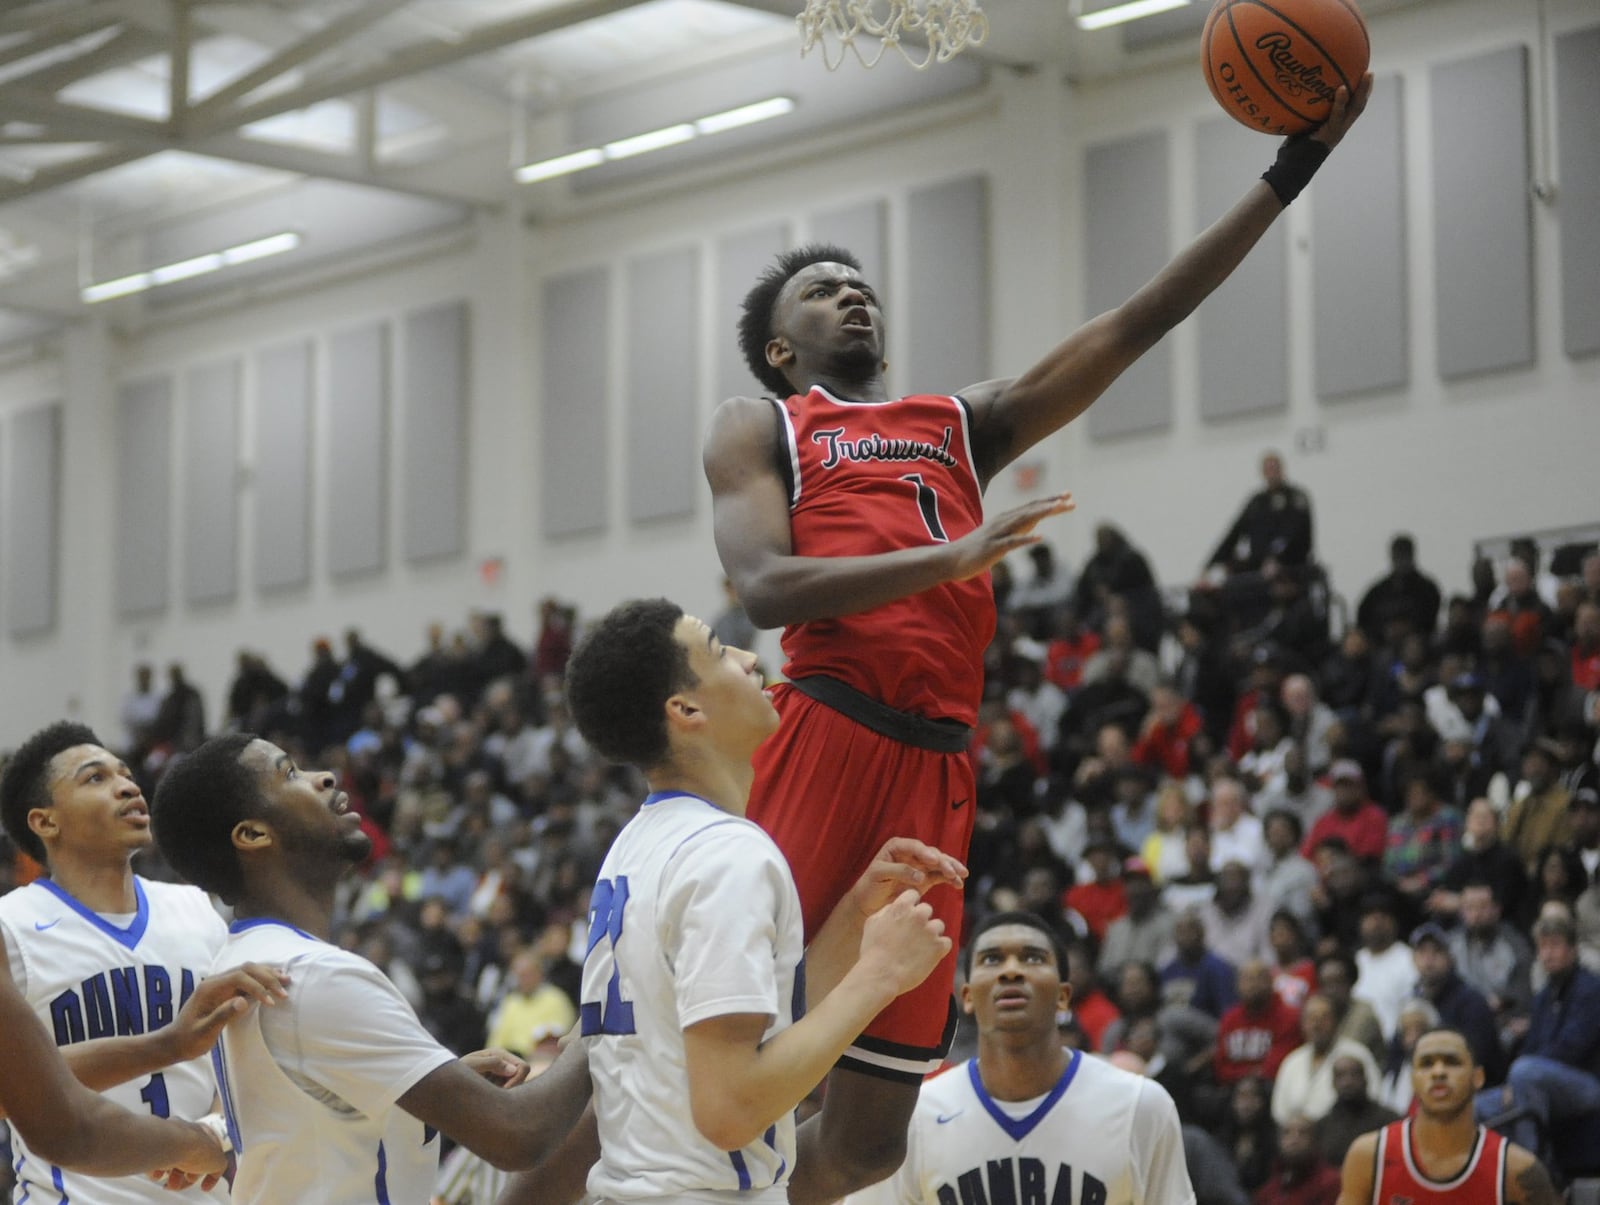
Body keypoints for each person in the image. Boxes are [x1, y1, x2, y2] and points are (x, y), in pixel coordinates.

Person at [704, 78, 1371, 1202]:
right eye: (824, 292)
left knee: (866, 1139)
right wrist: (950, 561)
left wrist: (1291, 168)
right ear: (780, 349)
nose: (853, 297)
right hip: (825, 729)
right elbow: (764, 587)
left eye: (863, 286)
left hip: (939, 764)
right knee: (712, 1043)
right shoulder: (762, 425)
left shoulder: (957, 424)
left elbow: (1139, 318)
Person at [504, 599, 961, 1205]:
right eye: (720, 651)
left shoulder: (639, 844)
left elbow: (756, 1031)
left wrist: (856, 917)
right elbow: (729, 1109)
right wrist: (880, 975)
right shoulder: (727, 857)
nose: (750, 659)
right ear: (686, 709)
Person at [150, 734, 598, 1203]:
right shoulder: (312, 974)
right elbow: (518, 1135)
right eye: (289, 774)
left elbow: (306, 1120)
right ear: (253, 835)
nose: (322, 776)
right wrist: (595, 1029)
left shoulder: (250, 956)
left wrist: (423, 1081)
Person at [0, 721, 290, 1204]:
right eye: (96, 778)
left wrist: (217, 1132)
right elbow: (13, 1086)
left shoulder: (197, 908)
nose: (129, 786)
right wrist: (165, 1046)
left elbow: (243, 1045)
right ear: (45, 821)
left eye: (127, 773)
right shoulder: (10, 926)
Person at [842, 910, 1194, 1205]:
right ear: (966, 996)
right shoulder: (916, 1119)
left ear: (1063, 996)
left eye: (1033, 958)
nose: (1011, 971)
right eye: (991, 959)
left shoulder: (1141, 1106)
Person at [0, 957, 231, 1187]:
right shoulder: (14, 932)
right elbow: (68, 1130)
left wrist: (214, 1129)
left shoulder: (208, 928)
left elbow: (237, 1062)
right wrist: (188, 1143)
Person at [1340, 1029, 1556, 1205]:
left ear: (1477, 1078)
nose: (1438, 1072)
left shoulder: (1517, 1169)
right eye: (1426, 1064)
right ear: (1413, 1081)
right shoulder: (1369, 1156)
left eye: (1452, 1062)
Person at [1473, 913, 1600, 1164]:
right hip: (1539, 1080)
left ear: (1572, 949)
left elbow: (1572, 1049)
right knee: (1476, 1106)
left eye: (1555, 945)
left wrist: (1520, 1074)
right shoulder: (1543, 996)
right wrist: (1513, 1082)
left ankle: (1532, 1167)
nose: (1548, 953)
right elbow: (1529, 1047)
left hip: (1587, 1083)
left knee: (1525, 1072)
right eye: (1543, 946)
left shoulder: (1591, 989)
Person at [1314, 1055, 1397, 1169]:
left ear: (1366, 1079)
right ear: (1333, 1083)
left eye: (1354, 1074)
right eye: (1341, 1076)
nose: (1348, 1082)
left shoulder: (1390, 1121)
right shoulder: (1322, 1126)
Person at [1254, 1113, 1341, 1205]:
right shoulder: (1266, 1192)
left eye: (1302, 1133)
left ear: (1314, 1141)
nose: (1294, 1139)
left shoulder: (1331, 1183)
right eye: (1287, 1132)